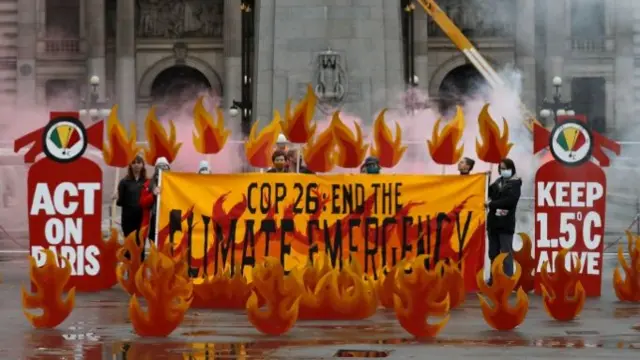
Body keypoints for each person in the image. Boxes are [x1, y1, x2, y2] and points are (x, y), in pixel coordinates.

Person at [486, 158, 522, 283]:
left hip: (506, 224)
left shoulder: (515, 183)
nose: (504, 170)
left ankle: (508, 279)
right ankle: (493, 278)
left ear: (512, 169)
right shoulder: (497, 182)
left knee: (506, 253)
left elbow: (510, 201)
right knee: (493, 253)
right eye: (501, 168)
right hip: (493, 223)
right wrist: (486, 180)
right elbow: (487, 192)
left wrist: (492, 204)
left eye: (506, 168)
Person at [140, 157, 170, 243]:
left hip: (168, 220)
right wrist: (153, 195)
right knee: (153, 243)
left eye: (165, 167)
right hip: (153, 220)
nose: (162, 170)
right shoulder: (148, 185)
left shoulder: (172, 184)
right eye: (159, 168)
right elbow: (142, 203)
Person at [115, 155, 147, 237]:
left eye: (139, 163)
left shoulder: (147, 182)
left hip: (142, 217)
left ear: (142, 165)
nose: (136, 165)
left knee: (140, 242)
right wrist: (117, 197)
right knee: (129, 242)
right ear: (130, 165)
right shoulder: (124, 182)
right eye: (134, 163)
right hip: (128, 218)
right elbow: (119, 202)